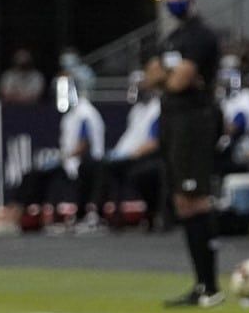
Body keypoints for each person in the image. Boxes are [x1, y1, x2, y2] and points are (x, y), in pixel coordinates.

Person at [153, 0, 224, 307]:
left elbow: (179, 81)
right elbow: (153, 77)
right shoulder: (171, 39)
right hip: (172, 120)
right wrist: (170, 75)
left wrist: (170, 76)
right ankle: (202, 285)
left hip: (194, 121)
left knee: (195, 199)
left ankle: (209, 286)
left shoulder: (200, 36)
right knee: (184, 200)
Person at [15, 74, 107, 232]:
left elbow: (84, 145)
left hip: (86, 163)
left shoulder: (85, 113)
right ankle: (23, 217)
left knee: (47, 174)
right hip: (70, 161)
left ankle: (19, 218)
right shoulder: (70, 115)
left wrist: (63, 158)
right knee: (32, 175)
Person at [105, 62, 166, 228]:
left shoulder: (158, 108)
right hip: (131, 155)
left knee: (139, 173)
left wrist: (134, 154)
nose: (139, 90)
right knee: (107, 167)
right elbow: (129, 136)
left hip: (148, 156)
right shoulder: (136, 110)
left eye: (142, 86)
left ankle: (153, 213)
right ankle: (113, 217)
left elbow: (155, 141)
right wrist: (119, 152)